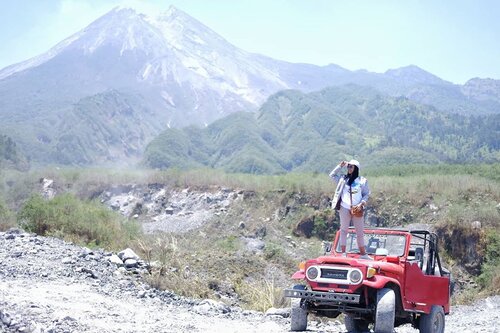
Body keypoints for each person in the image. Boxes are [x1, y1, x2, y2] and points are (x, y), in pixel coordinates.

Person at [329, 159, 372, 259]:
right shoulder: (343, 179)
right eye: (348, 166)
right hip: (344, 207)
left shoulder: (362, 181)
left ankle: (363, 254)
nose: (349, 168)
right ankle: (343, 253)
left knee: (359, 232)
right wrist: (340, 166)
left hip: (357, 208)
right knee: (344, 230)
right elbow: (332, 175)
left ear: (356, 168)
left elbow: (366, 194)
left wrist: (361, 204)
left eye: (351, 166)